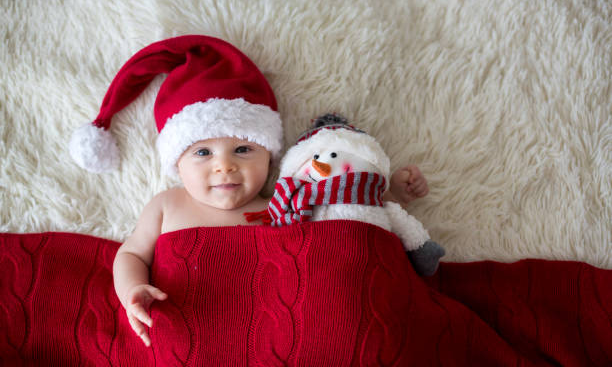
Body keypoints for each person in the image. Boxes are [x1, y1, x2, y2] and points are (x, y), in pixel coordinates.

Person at [68, 35, 429, 347]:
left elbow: (340, 223)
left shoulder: (282, 206)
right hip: (190, 325)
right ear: (177, 163)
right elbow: (130, 254)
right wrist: (133, 290)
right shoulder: (167, 204)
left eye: (243, 150)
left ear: (270, 160)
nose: (224, 166)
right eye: (202, 153)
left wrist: (392, 193)